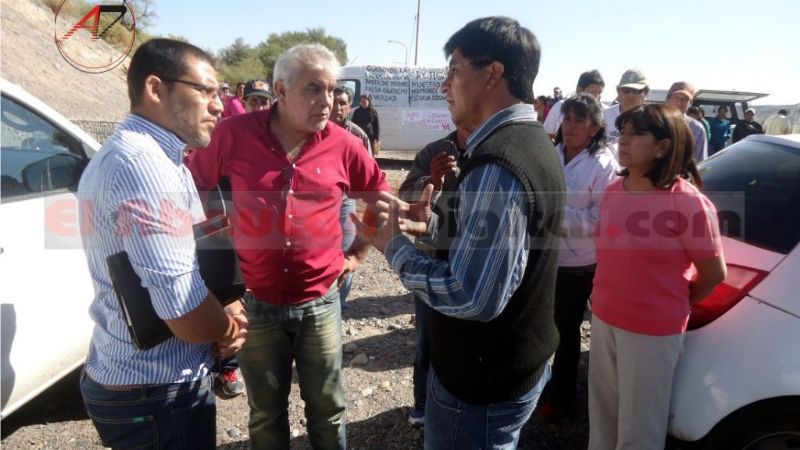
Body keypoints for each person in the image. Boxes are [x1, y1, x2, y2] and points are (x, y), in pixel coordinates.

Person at [354, 16, 565, 448]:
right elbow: (504, 249)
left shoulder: (499, 162)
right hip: (509, 368)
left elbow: (471, 294)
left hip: (480, 385)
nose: (444, 85)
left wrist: (391, 245)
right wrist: (430, 225)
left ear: (492, 73)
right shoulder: (530, 140)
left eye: (453, 70)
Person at [185, 43, 390, 449]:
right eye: (314, 89)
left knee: (328, 407)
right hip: (255, 303)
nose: (327, 102)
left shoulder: (344, 144)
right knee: (265, 412)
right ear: (280, 89)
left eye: (332, 91)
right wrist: (221, 286)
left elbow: (379, 198)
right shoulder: (233, 135)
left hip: (320, 301)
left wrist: (357, 255)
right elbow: (192, 195)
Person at [77, 38, 248, 449]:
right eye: (205, 90)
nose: (220, 104)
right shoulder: (144, 166)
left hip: (144, 382)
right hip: (155, 391)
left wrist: (224, 301)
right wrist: (231, 328)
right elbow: (185, 313)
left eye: (220, 93)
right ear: (156, 89)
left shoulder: (155, 156)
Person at [589, 104, 726, 449]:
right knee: (603, 416)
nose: (624, 141)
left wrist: (675, 304)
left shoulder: (687, 202)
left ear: (662, 147)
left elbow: (713, 273)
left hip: (652, 331)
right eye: (623, 133)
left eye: (637, 134)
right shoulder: (612, 192)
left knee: (639, 429)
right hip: (605, 319)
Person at [537, 94, 619, 423]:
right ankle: (542, 385)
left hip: (581, 264)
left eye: (579, 120)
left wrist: (556, 215)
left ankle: (561, 397)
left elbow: (604, 222)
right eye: (567, 118)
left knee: (567, 331)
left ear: (596, 127)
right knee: (544, 326)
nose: (570, 126)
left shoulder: (604, 164)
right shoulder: (550, 153)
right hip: (546, 257)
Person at [396, 125, 471, 427]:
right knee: (427, 334)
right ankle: (423, 403)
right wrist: (433, 180)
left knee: (465, 334)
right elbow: (406, 194)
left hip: (470, 255)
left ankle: (459, 403)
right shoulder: (434, 150)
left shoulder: (491, 148)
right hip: (432, 256)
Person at [331, 85, 373, 310]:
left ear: (349, 106)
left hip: (346, 203)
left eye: (343, 102)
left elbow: (371, 176)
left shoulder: (357, 135)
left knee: (346, 254)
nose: (337, 107)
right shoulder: (310, 131)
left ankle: (339, 304)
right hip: (318, 204)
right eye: (334, 101)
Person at [543, 69, 605, 139]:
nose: (597, 97)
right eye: (592, 92)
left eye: (599, 93)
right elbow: (547, 136)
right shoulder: (561, 106)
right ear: (579, 90)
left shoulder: (603, 112)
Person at [605, 69, 649, 147]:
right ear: (618, 92)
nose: (630, 96)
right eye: (626, 91)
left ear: (645, 94)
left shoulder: (652, 120)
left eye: (636, 91)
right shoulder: (605, 116)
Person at [665, 81, 708, 161]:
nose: (679, 103)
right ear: (667, 99)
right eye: (676, 97)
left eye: (685, 99)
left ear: (690, 103)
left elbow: (701, 161)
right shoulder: (654, 123)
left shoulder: (696, 129)